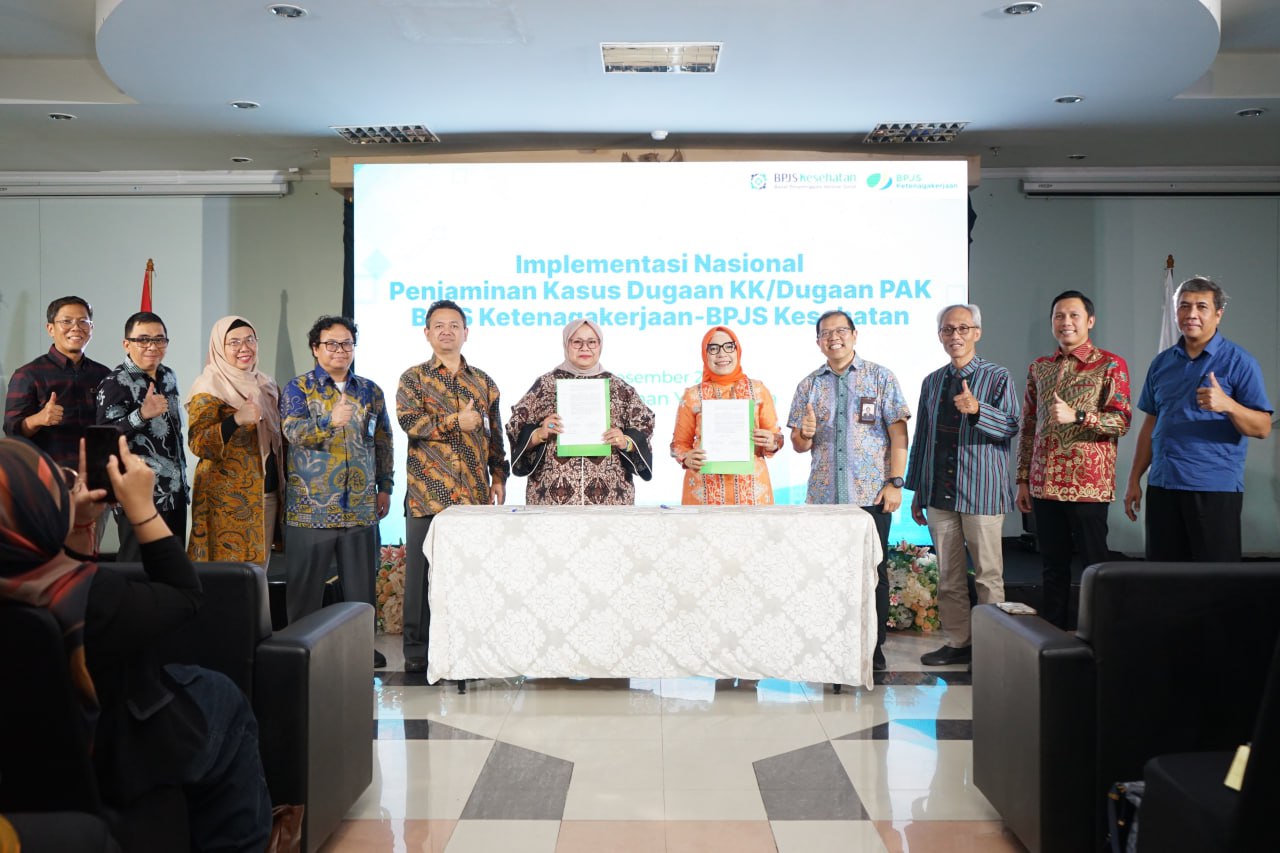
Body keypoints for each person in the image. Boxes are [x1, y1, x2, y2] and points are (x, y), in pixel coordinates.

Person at [0, 435, 272, 853]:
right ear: (38, 511)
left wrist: (79, 526)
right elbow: (185, 595)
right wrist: (142, 508)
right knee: (221, 695)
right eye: (60, 484)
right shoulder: (95, 600)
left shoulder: (44, 588)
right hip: (121, 749)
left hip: (32, 757)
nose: (70, 484)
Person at [788, 310, 910, 672]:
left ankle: (873, 650)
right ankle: (830, 646)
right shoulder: (809, 385)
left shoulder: (880, 377)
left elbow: (899, 435)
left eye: (840, 331)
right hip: (824, 499)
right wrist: (805, 433)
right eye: (826, 333)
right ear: (818, 342)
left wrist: (895, 482)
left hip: (871, 496)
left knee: (874, 574)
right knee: (826, 575)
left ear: (854, 335)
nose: (834, 338)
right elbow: (798, 444)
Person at [1124, 277, 1272, 561]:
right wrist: (1134, 480)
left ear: (1218, 314)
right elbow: (1151, 424)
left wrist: (1228, 405)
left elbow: (1263, 427)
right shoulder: (1161, 363)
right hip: (1163, 486)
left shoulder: (1240, 362)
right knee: (1164, 578)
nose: (1191, 314)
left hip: (1214, 488)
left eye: (1201, 307)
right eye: (1184, 306)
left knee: (1215, 580)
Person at [396, 300, 508, 673]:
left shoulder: (484, 381)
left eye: (454, 325)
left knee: (469, 573)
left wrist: (498, 474)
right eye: (439, 325)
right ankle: (417, 650)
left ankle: (467, 646)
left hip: (472, 495)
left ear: (466, 333)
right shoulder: (413, 378)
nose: (447, 331)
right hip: (427, 493)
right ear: (427, 333)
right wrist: (454, 422)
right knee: (420, 576)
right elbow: (410, 423)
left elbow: (495, 434)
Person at [906, 304, 1020, 666]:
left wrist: (977, 410)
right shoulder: (932, 381)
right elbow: (922, 437)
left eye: (963, 328)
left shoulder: (997, 377)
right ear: (940, 335)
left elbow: (1011, 426)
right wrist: (918, 490)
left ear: (977, 333)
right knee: (948, 576)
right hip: (939, 492)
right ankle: (958, 642)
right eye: (948, 329)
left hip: (982, 492)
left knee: (988, 576)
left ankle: (992, 649)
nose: (955, 335)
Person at [281, 315, 393, 668]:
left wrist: (385, 485)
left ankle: (360, 651)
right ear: (316, 349)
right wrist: (330, 421)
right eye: (331, 344)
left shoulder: (370, 390)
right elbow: (292, 432)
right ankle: (301, 656)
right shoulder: (299, 388)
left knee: (361, 590)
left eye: (346, 343)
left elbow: (383, 441)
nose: (340, 350)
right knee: (305, 593)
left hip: (360, 506)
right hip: (310, 508)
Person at [1016, 290, 1131, 629]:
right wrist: (1023, 478)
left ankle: (1102, 633)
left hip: (1088, 486)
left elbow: (1121, 422)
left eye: (1074, 315)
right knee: (1052, 566)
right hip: (1044, 485)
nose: (1066, 322)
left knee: (1095, 566)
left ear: (1090, 321)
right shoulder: (1040, 367)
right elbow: (1028, 426)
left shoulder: (1110, 364)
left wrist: (1079, 416)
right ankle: (1053, 634)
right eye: (1059, 316)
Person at [506, 318, 655, 504]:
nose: (585, 348)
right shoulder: (545, 385)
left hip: (610, 496)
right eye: (577, 342)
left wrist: (626, 441)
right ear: (566, 344)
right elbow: (516, 425)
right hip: (552, 497)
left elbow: (645, 422)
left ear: (600, 345)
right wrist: (538, 434)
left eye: (592, 342)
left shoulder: (618, 387)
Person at [186, 316, 283, 567]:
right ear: (219, 347)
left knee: (258, 575)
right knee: (225, 577)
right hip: (225, 502)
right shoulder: (209, 386)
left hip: (266, 496)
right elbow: (199, 442)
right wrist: (236, 419)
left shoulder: (267, 384)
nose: (244, 348)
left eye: (250, 340)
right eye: (234, 342)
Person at [97, 311, 190, 559]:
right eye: (143, 339)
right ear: (126, 344)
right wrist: (141, 414)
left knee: (172, 566)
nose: (152, 346)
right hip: (137, 495)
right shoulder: (114, 382)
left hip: (174, 492)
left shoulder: (168, 376)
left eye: (159, 339)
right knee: (136, 567)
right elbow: (104, 439)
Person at [670, 326, 783, 504]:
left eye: (729, 346)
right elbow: (678, 445)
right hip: (704, 492)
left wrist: (772, 442)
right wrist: (686, 458)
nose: (722, 354)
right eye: (713, 348)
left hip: (752, 493)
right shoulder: (692, 396)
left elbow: (777, 438)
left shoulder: (758, 390)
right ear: (704, 354)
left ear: (737, 350)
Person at [4, 296, 111, 472]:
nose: (76, 328)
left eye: (83, 321)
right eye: (67, 321)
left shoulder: (103, 374)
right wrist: (37, 420)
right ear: (50, 329)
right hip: (48, 475)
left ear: (91, 328)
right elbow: (11, 430)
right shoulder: (28, 374)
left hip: (96, 475)